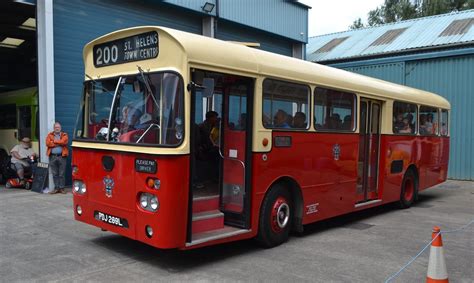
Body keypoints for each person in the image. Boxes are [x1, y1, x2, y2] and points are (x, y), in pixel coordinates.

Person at [46, 122, 69, 194]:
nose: (57, 128)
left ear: (60, 128)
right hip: (52, 157)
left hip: (62, 156)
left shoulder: (64, 135)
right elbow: (48, 143)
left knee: (61, 174)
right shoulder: (49, 135)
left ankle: (62, 188)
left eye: (58, 127)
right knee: (54, 173)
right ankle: (56, 188)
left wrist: (54, 142)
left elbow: (64, 142)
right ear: (54, 128)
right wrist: (59, 143)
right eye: (55, 127)